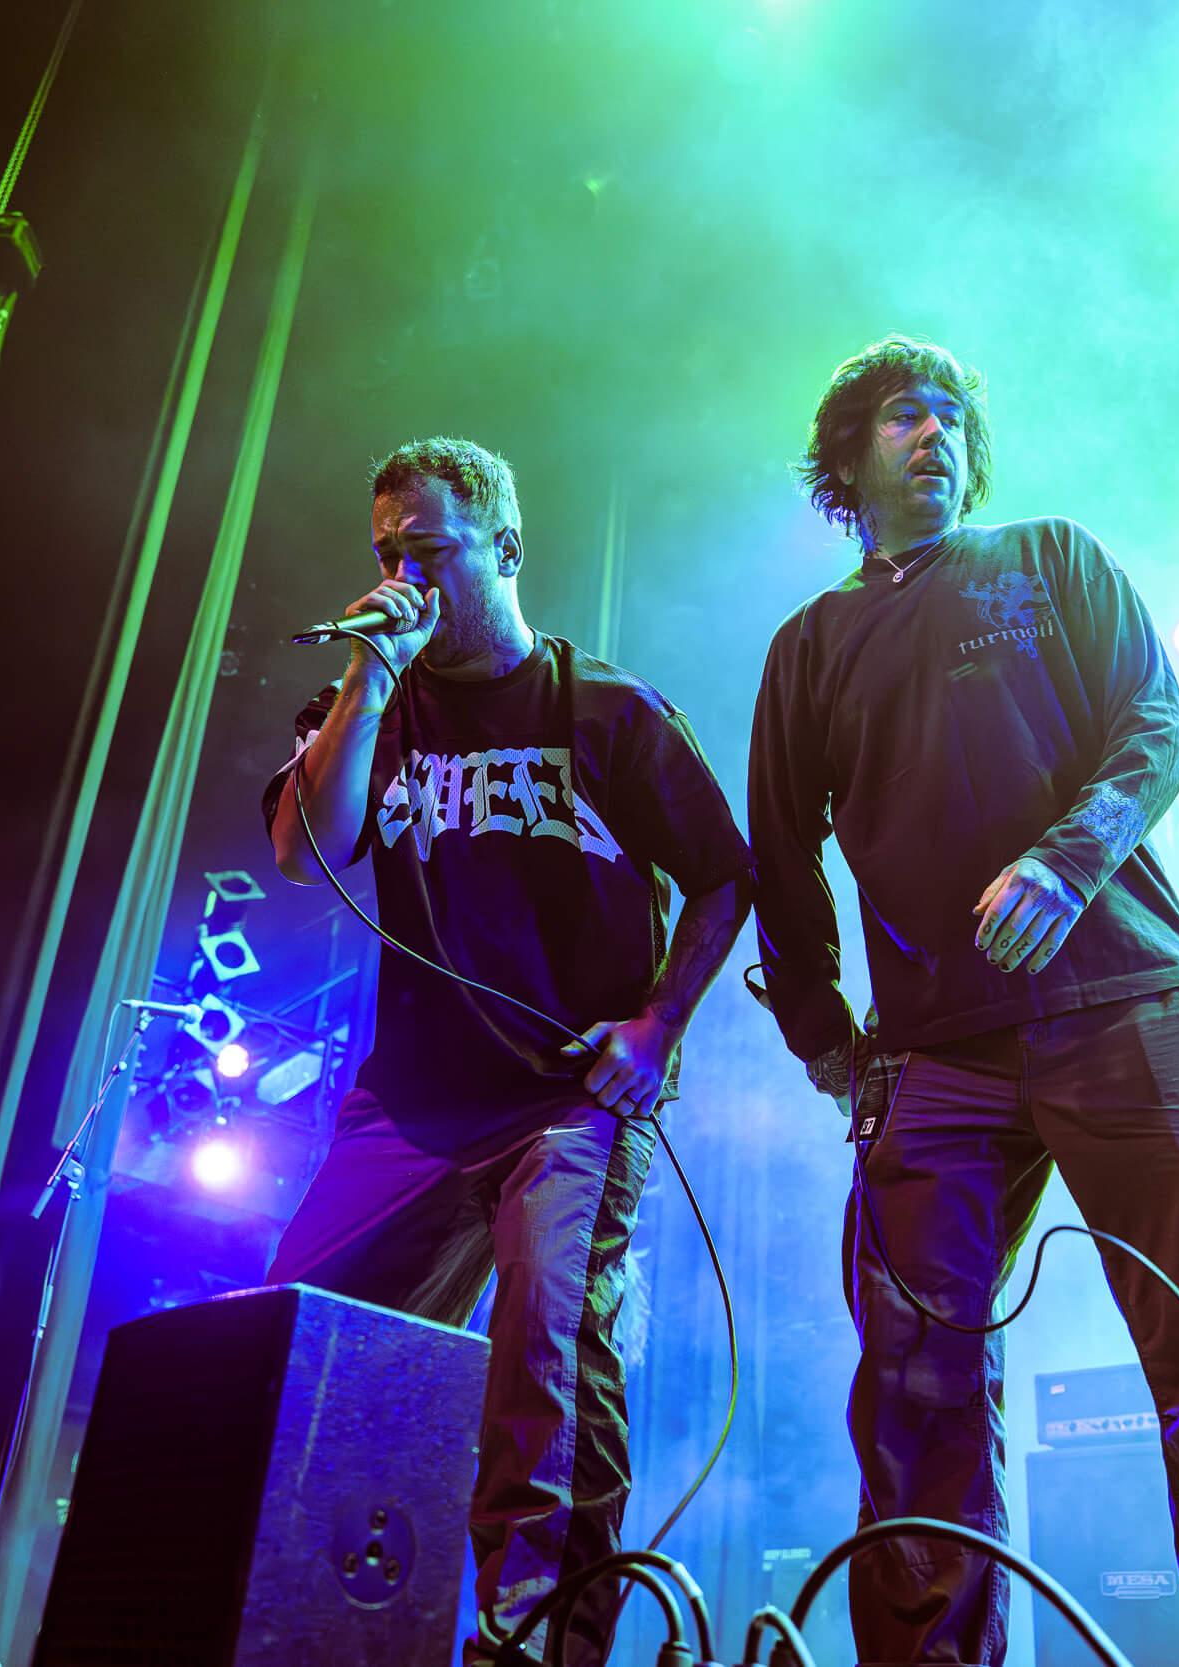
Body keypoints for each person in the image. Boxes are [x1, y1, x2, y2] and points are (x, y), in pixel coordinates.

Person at [746, 338, 1179, 1667]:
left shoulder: (1051, 558)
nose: (934, 434)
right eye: (903, 415)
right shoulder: (811, 644)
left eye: (950, 415)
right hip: (930, 1056)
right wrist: (823, 1033)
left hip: (1125, 1003)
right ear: (846, 458)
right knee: (913, 1385)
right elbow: (777, 851)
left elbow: (1157, 724)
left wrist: (1068, 858)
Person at [262, 437, 753, 1666]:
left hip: (565, 1100)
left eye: (428, 550)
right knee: (294, 1346)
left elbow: (723, 874)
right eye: (387, 553)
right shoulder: (367, 709)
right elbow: (303, 853)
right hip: (408, 1106)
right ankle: (299, 1633)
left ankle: (533, 1648)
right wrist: (367, 682)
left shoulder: (608, 710)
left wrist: (657, 1024)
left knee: (545, 1363)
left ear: (506, 548)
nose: (403, 578)